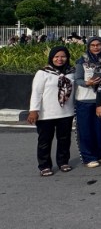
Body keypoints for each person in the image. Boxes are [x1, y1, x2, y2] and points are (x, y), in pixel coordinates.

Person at [27, 46, 76, 176]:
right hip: (46, 113)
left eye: (63, 56)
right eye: (56, 57)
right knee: (45, 141)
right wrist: (33, 110)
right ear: (51, 58)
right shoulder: (43, 72)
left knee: (64, 139)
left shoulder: (72, 72)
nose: (60, 59)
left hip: (66, 112)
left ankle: (63, 162)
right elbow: (36, 93)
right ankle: (44, 165)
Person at [73, 37, 101, 168]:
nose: (96, 47)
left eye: (98, 45)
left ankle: (99, 154)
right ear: (89, 47)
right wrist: (87, 83)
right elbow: (77, 79)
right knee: (86, 130)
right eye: (93, 45)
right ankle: (88, 157)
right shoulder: (81, 61)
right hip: (84, 100)